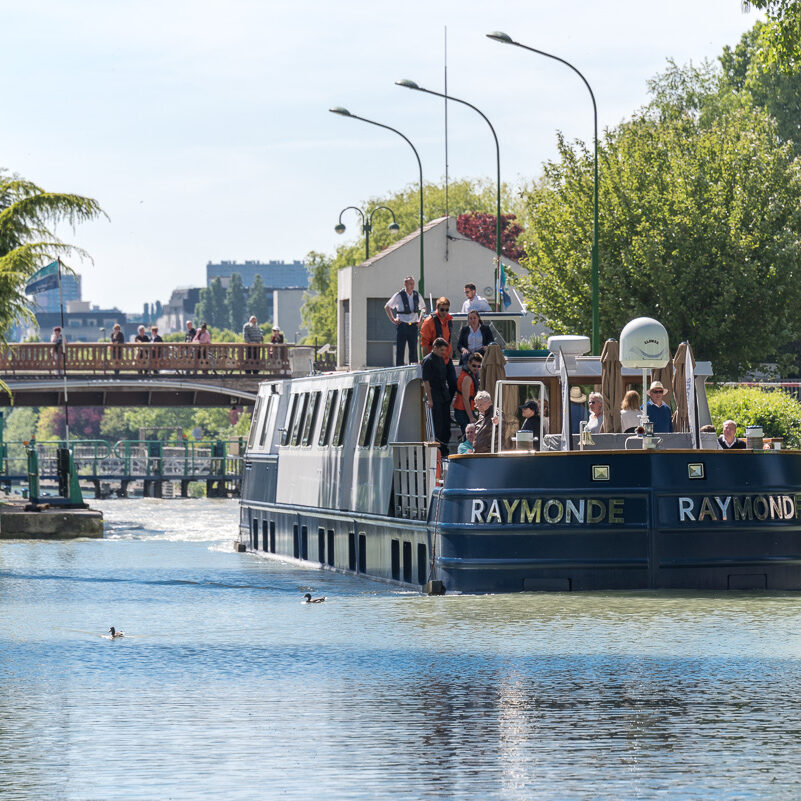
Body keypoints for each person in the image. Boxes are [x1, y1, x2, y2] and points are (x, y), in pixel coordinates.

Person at [420, 297, 457, 399]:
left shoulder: (449, 320)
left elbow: (449, 340)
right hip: (434, 360)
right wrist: (426, 361)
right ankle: (441, 407)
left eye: (447, 310)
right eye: (442, 310)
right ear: (437, 308)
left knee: (453, 384)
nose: (444, 312)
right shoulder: (429, 321)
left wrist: (450, 355)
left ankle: (446, 404)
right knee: (437, 388)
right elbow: (424, 343)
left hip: (446, 359)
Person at [422, 337, 452, 458]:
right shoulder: (427, 361)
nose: (443, 352)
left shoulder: (440, 359)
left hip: (443, 393)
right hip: (434, 393)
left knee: (446, 423)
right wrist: (430, 399)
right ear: (434, 348)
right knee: (438, 423)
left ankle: (444, 448)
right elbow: (426, 382)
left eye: (444, 350)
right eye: (441, 350)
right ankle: (438, 452)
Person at [385, 276, 425, 365]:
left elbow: (423, 308)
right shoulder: (399, 295)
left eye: (413, 283)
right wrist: (393, 319)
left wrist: (420, 319)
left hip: (413, 325)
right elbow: (387, 307)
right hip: (402, 324)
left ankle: (414, 368)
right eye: (410, 283)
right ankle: (399, 367)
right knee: (400, 349)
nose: (412, 285)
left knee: (413, 349)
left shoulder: (416, 295)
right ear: (405, 284)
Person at [453, 353, 482, 434]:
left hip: (464, 410)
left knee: (470, 435)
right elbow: (465, 399)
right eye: (474, 365)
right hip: (463, 411)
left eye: (478, 366)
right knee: (469, 436)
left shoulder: (469, 374)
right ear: (468, 363)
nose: (476, 368)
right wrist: (471, 417)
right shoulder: (467, 378)